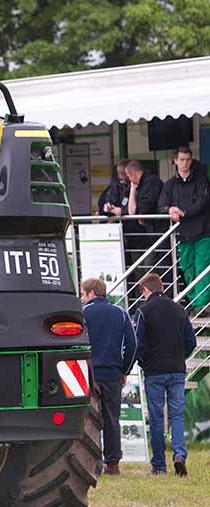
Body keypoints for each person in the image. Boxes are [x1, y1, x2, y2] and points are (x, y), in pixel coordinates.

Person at [133, 273, 196, 476]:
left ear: (146, 290)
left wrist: (143, 362)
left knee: (157, 418)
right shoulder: (180, 310)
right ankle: (179, 455)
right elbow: (191, 342)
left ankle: (159, 466)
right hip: (177, 370)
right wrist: (181, 356)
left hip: (154, 373)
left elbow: (137, 343)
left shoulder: (143, 311)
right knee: (177, 416)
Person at [80, 278, 137, 475]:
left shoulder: (83, 313)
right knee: (112, 419)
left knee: (90, 420)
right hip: (113, 374)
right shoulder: (120, 313)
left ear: (91, 293)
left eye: (83, 294)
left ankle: (93, 463)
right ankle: (112, 463)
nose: (82, 298)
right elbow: (133, 344)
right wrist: (125, 370)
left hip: (89, 375)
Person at [159, 145, 210, 313]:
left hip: (204, 232)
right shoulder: (169, 185)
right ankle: (197, 303)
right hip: (183, 234)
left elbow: (203, 202)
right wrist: (169, 210)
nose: (185, 163)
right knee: (188, 269)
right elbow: (161, 205)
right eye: (181, 160)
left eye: (188, 160)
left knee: (202, 268)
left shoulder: (201, 180)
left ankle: (202, 305)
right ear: (175, 161)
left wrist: (184, 213)